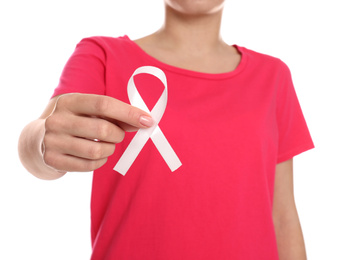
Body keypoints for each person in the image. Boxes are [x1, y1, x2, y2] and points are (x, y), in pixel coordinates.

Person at [18, 0, 314, 259]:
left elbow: (282, 214)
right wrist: (40, 143)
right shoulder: (103, 55)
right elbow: (46, 135)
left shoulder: (273, 76)